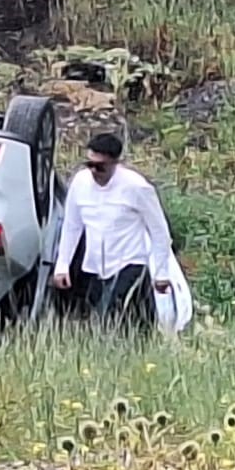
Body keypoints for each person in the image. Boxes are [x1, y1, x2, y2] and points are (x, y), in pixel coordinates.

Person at [49, 131, 175, 330]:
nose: (93, 171)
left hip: (129, 263)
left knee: (117, 319)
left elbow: (160, 232)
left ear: (115, 163)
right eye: (89, 164)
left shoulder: (137, 187)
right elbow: (72, 226)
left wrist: (161, 273)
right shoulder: (80, 183)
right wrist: (62, 265)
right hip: (94, 267)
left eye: (100, 167)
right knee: (94, 320)